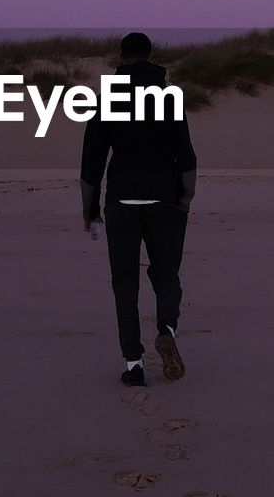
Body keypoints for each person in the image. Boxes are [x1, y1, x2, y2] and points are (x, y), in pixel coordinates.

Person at [80, 32, 197, 387]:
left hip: (122, 202)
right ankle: (167, 330)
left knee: (125, 283)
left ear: (122, 59)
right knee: (166, 274)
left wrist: (90, 210)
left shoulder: (107, 100)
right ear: (150, 56)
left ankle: (134, 364)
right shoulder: (168, 98)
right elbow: (186, 156)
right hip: (165, 200)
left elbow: (91, 162)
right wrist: (185, 198)